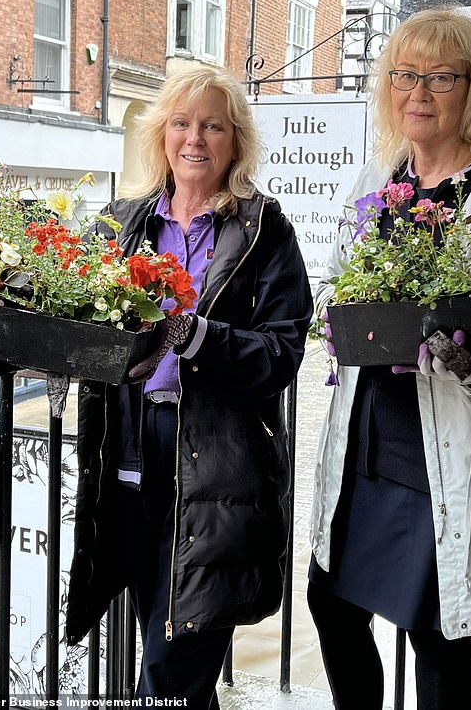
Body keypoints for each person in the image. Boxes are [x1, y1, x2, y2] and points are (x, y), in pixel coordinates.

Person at [308, 7, 471, 710]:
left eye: (440, 76)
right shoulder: (375, 179)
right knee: (330, 602)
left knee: (435, 633)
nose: (418, 91)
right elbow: (335, 284)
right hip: (369, 441)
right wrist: (338, 320)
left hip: (448, 448)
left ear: (470, 86)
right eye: (404, 75)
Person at [64, 65, 312, 708]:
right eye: (181, 123)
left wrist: (196, 337)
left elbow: (284, 351)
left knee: (172, 663)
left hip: (218, 464)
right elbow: (69, 306)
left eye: (212, 125)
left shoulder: (264, 230)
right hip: (131, 451)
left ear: (235, 140)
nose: (194, 138)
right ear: (161, 135)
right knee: (163, 642)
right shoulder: (125, 223)